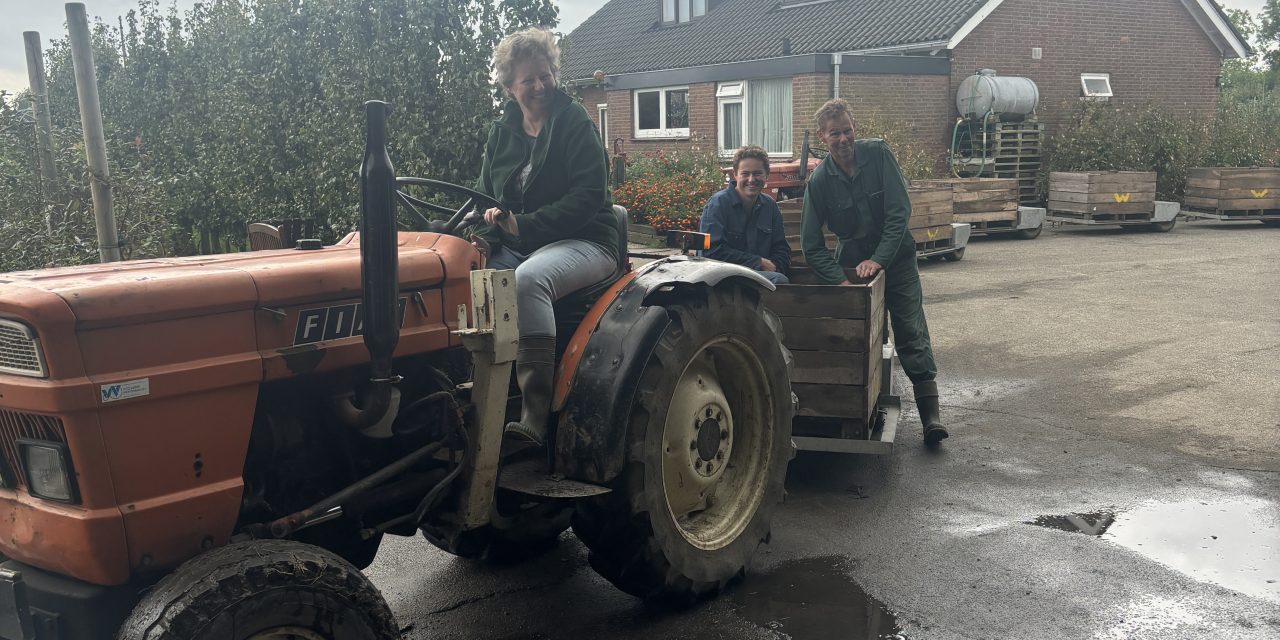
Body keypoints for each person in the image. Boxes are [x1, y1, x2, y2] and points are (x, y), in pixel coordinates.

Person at [473, 27, 618, 446]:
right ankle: (476, 398)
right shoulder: (501, 134)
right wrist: (482, 238)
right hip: (524, 245)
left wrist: (525, 225)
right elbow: (484, 198)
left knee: (527, 281)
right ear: (508, 87)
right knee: (467, 280)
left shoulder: (574, 123)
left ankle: (536, 414)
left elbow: (589, 197)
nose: (539, 86)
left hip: (588, 239)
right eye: (527, 80)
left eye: (545, 75)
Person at [800, 98, 948, 446]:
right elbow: (810, 245)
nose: (843, 139)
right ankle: (866, 407)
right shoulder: (820, 181)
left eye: (847, 131)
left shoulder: (879, 154)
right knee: (859, 338)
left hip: (896, 260)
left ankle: (931, 418)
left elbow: (899, 213)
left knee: (910, 328)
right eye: (834, 133)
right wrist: (839, 279)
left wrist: (880, 259)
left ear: (855, 129)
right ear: (823, 137)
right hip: (854, 269)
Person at [699, 145, 791, 284]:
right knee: (779, 281)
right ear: (735, 174)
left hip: (760, 277)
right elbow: (710, 252)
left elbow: (781, 248)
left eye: (757, 173)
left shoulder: (770, 206)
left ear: (767, 174)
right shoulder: (717, 204)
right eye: (745, 174)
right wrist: (757, 262)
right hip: (721, 279)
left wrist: (776, 267)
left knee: (780, 280)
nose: (751, 179)